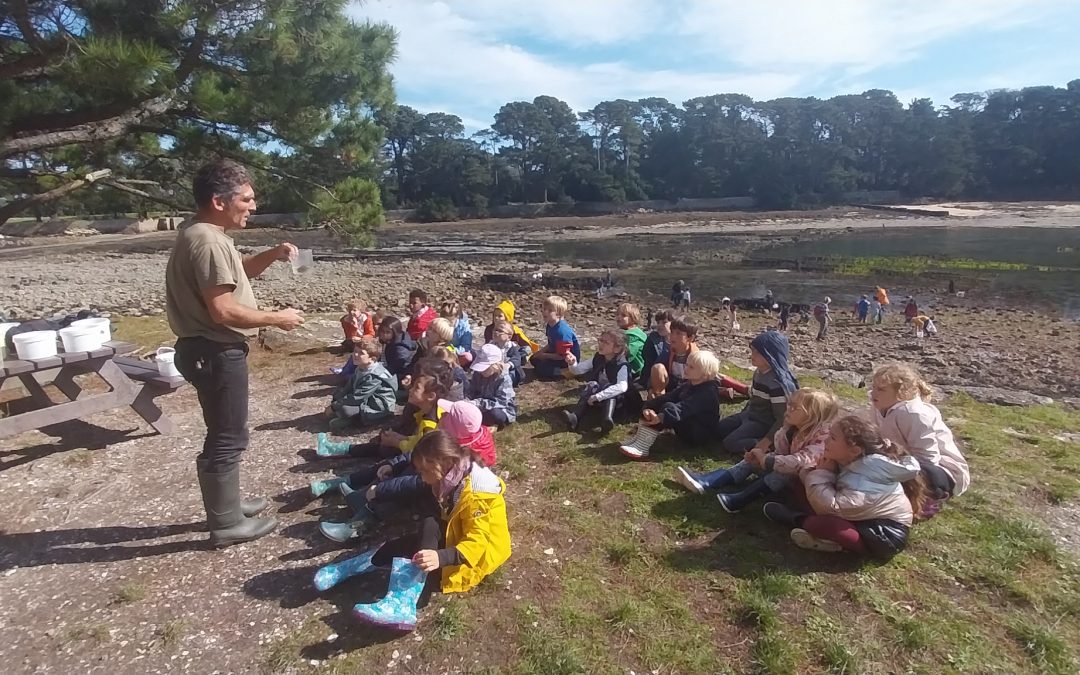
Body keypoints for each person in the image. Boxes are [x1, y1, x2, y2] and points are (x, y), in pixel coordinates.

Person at [165, 158, 304, 547]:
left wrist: (274, 253)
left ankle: (228, 506)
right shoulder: (208, 241)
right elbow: (222, 309)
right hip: (214, 350)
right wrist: (276, 318)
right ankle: (225, 524)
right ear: (219, 201)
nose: (253, 206)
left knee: (225, 431)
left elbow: (237, 271)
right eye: (247, 198)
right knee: (228, 436)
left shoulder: (202, 233)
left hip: (203, 349)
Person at [312, 431, 511, 632]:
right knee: (422, 530)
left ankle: (402, 603)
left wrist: (440, 557)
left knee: (422, 536)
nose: (422, 477)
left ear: (440, 464)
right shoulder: (453, 474)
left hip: (475, 557)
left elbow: (477, 545)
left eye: (423, 471)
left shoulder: (478, 495)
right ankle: (351, 567)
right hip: (454, 531)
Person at [315, 400, 498, 542]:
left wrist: (382, 489)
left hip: (445, 501)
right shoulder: (460, 438)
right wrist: (392, 466)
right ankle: (364, 498)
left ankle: (360, 524)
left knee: (410, 485)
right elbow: (416, 452)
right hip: (436, 483)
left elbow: (419, 481)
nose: (441, 416)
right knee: (400, 465)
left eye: (446, 415)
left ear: (453, 429)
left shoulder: (454, 457)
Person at [762, 416, 923, 559]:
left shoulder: (865, 481)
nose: (825, 441)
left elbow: (832, 507)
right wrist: (813, 471)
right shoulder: (848, 459)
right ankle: (819, 533)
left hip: (881, 533)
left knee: (826, 525)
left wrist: (822, 473)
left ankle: (797, 520)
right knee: (801, 484)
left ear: (854, 450)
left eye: (832, 438)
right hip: (855, 514)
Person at [675, 389, 840, 512]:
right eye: (789, 404)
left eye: (794, 407)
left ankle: (741, 500)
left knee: (782, 473)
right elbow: (782, 453)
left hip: (805, 483)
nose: (787, 409)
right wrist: (762, 456)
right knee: (751, 460)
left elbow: (800, 462)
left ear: (811, 416)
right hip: (787, 467)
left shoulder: (822, 438)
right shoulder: (793, 429)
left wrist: (768, 460)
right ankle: (708, 481)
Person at [869, 364, 969, 507]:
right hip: (901, 462)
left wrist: (893, 466)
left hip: (940, 472)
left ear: (901, 393)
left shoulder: (914, 414)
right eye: (873, 387)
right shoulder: (879, 406)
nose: (873, 393)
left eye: (881, 390)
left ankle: (929, 498)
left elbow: (929, 459)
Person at [314, 357, 450, 458]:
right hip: (408, 446)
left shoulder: (430, 422)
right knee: (382, 442)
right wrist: (398, 437)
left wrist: (397, 442)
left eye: (416, 386)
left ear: (431, 395)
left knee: (383, 452)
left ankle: (336, 459)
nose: (410, 388)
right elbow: (414, 438)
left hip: (413, 459)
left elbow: (419, 450)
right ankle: (336, 449)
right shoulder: (423, 409)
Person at [619, 350, 722, 459]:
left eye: (691, 367)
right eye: (687, 365)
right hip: (689, 424)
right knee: (664, 402)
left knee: (669, 407)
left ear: (705, 374)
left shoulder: (707, 393)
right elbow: (670, 396)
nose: (686, 369)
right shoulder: (690, 384)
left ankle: (642, 446)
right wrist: (649, 406)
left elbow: (683, 408)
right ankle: (639, 438)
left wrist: (660, 417)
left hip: (699, 433)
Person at [715, 331, 798, 455]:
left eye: (757, 352)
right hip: (750, 415)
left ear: (771, 355)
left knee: (730, 442)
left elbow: (782, 418)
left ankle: (769, 446)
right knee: (718, 430)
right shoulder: (759, 372)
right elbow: (754, 398)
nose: (752, 355)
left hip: (763, 423)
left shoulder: (776, 383)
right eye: (752, 350)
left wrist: (766, 441)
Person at [562, 330, 640, 434]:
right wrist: (572, 363)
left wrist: (598, 396)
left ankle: (607, 419)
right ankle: (575, 417)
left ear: (617, 348)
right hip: (600, 396)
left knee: (610, 387)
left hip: (621, 401)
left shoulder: (622, 365)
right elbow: (578, 370)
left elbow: (622, 387)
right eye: (601, 340)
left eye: (606, 343)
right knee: (592, 385)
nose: (601, 344)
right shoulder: (599, 357)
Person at [324, 337, 398, 432]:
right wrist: (337, 400)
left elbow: (358, 397)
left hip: (378, 406)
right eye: (355, 351)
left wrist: (334, 407)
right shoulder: (361, 367)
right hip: (366, 399)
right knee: (338, 395)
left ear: (372, 358)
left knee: (345, 410)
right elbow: (349, 386)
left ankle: (354, 420)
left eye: (361, 353)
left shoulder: (374, 376)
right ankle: (345, 414)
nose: (355, 355)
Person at [528, 295, 580, 380]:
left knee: (542, 370)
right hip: (555, 352)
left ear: (558, 314)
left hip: (566, 359)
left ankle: (565, 372)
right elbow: (551, 343)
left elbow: (562, 356)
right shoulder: (550, 325)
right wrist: (540, 353)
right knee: (533, 359)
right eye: (544, 309)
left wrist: (544, 356)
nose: (545, 312)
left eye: (550, 310)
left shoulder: (562, 332)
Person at [465, 343, 517, 428]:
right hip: (479, 405)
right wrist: (467, 399)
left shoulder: (504, 378)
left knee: (495, 414)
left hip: (499, 408)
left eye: (484, 368)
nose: (481, 371)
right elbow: (472, 390)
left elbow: (502, 402)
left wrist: (479, 403)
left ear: (495, 365)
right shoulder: (477, 374)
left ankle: (495, 423)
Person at [647, 316, 698, 398]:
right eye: (672, 332)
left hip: (687, 388)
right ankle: (658, 397)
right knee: (657, 367)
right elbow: (655, 371)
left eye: (678, 333)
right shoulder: (668, 351)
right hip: (671, 384)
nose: (673, 336)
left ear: (690, 338)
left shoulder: (695, 356)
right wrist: (650, 388)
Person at [376, 316, 417, 396]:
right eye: (382, 331)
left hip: (401, 376)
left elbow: (394, 368)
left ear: (395, 332)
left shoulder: (400, 349)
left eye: (388, 332)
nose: (384, 334)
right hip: (391, 369)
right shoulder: (390, 341)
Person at [638, 310, 673, 392]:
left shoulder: (681, 342)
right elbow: (648, 363)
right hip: (655, 377)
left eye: (664, 322)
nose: (660, 325)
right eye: (658, 322)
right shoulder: (652, 340)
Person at [617, 303, 648, 380]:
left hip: (636, 370)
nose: (619, 317)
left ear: (633, 318)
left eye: (623, 315)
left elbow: (629, 354)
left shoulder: (632, 335)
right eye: (617, 314)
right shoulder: (634, 332)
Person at [441, 299, 473, 365]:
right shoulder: (439, 324)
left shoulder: (464, 327)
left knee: (467, 356)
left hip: (457, 353)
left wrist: (452, 350)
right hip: (441, 353)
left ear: (457, 317)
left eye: (451, 320)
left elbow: (466, 346)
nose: (448, 323)